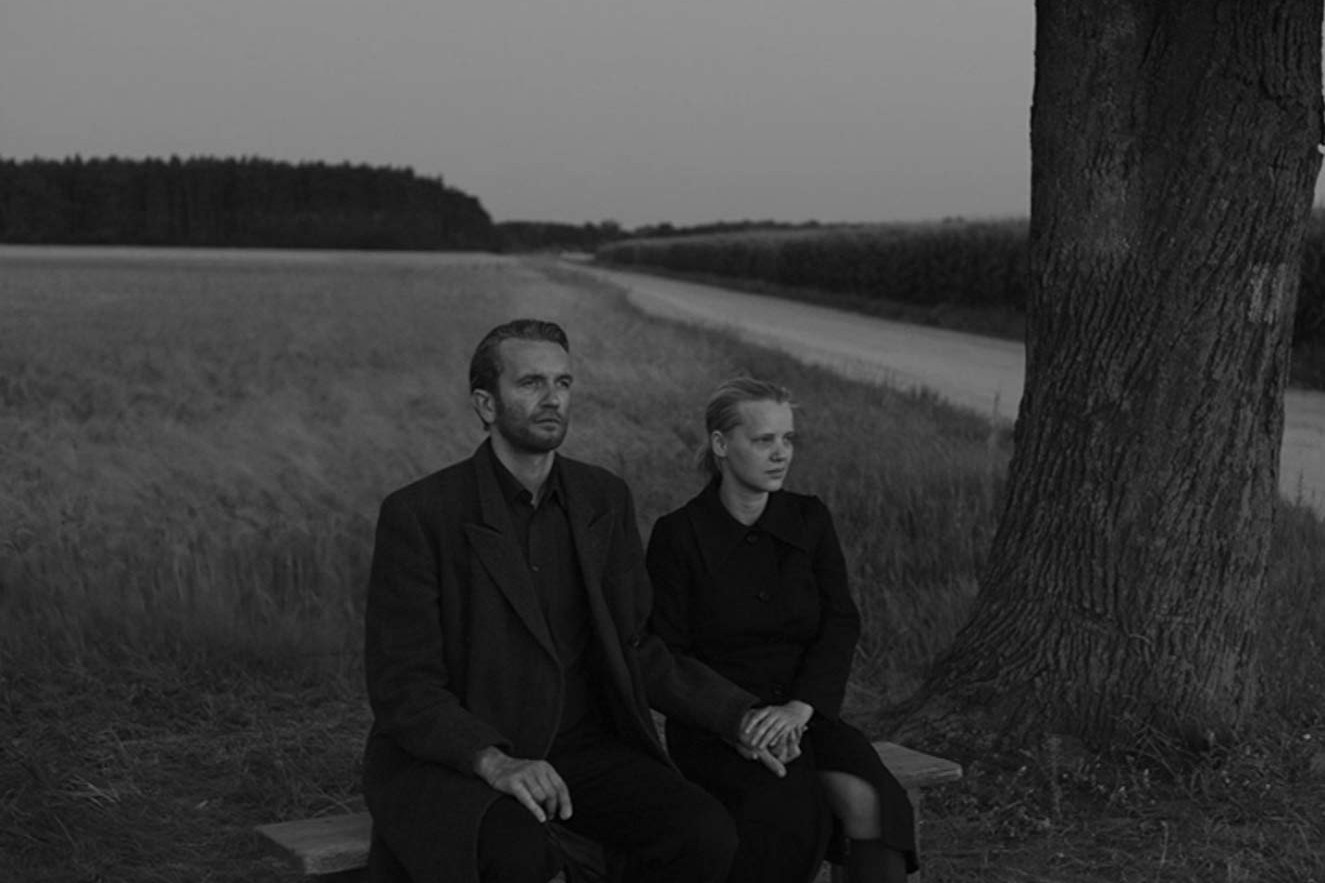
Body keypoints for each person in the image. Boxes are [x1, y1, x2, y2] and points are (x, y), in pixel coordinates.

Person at [362, 319, 786, 883]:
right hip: (462, 759)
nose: (552, 398)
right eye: (531, 383)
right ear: (486, 404)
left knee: (703, 833)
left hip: (581, 750)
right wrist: (494, 761)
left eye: (562, 383)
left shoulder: (602, 498)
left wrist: (735, 715)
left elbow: (637, 647)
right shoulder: (421, 514)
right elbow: (404, 686)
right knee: (517, 854)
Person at [645, 376, 919, 883]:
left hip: (805, 712)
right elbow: (665, 656)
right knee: (786, 816)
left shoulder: (809, 519)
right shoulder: (678, 535)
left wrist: (800, 708)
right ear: (721, 445)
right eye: (763, 440)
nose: (781, 453)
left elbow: (840, 622)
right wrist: (740, 720)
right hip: (720, 727)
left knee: (874, 803)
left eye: (788, 438)